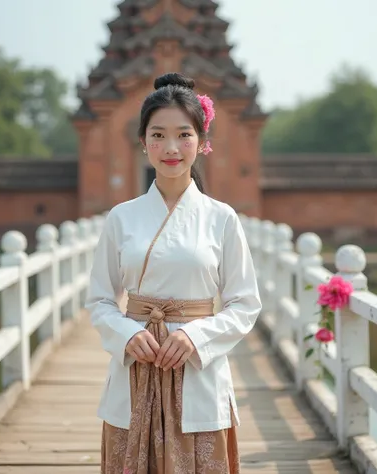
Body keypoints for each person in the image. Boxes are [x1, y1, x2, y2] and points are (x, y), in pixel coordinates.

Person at [86, 72, 262, 474]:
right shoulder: (121, 218)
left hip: (197, 367)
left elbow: (244, 303)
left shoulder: (221, 218)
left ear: (202, 142)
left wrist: (195, 335)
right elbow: (98, 299)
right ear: (143, 141)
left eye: (183, 135)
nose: (171, 148)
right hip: (137, 364)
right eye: (158, 135)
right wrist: (129, 334)